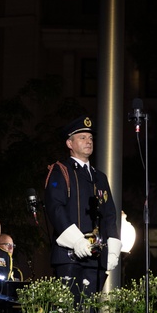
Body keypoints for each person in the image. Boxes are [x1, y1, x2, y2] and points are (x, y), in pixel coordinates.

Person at [44, 115, 121, 302]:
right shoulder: (60, 170)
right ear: (69, 143)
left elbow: (109, 214)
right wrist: (76, 240)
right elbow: (55, 207)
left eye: (91, 138)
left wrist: (112, 248)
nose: (89, 141)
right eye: (83, 137)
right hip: (70, 255)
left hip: (95, 257)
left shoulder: (99, 177)